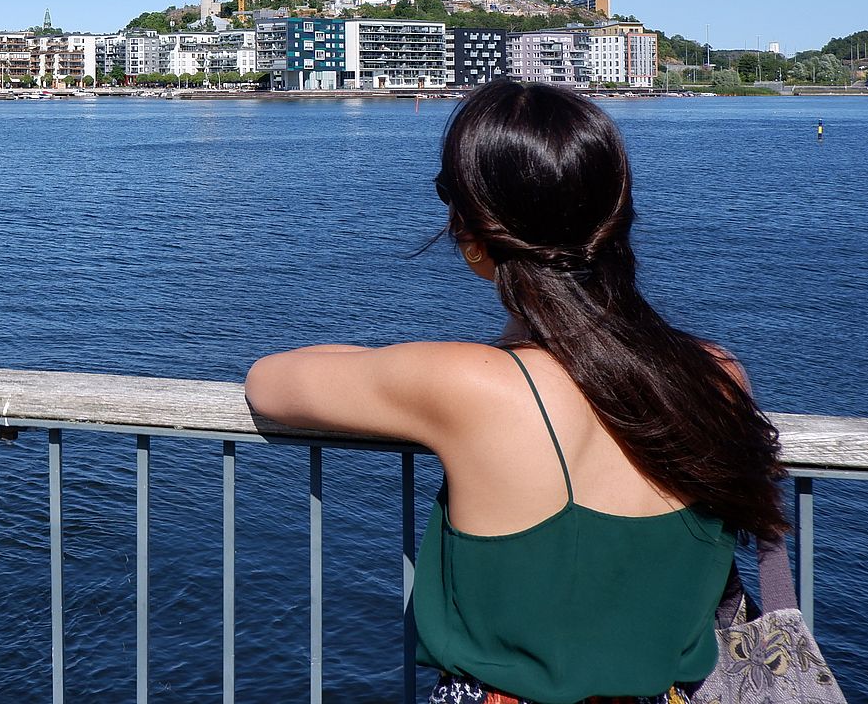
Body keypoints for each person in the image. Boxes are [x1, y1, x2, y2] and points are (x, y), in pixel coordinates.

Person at [244, 80, 785, 704]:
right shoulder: (717, 374)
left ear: (473, 236)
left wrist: (480, 348)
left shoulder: (472, 384)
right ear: (616, 215)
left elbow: (269, 382)